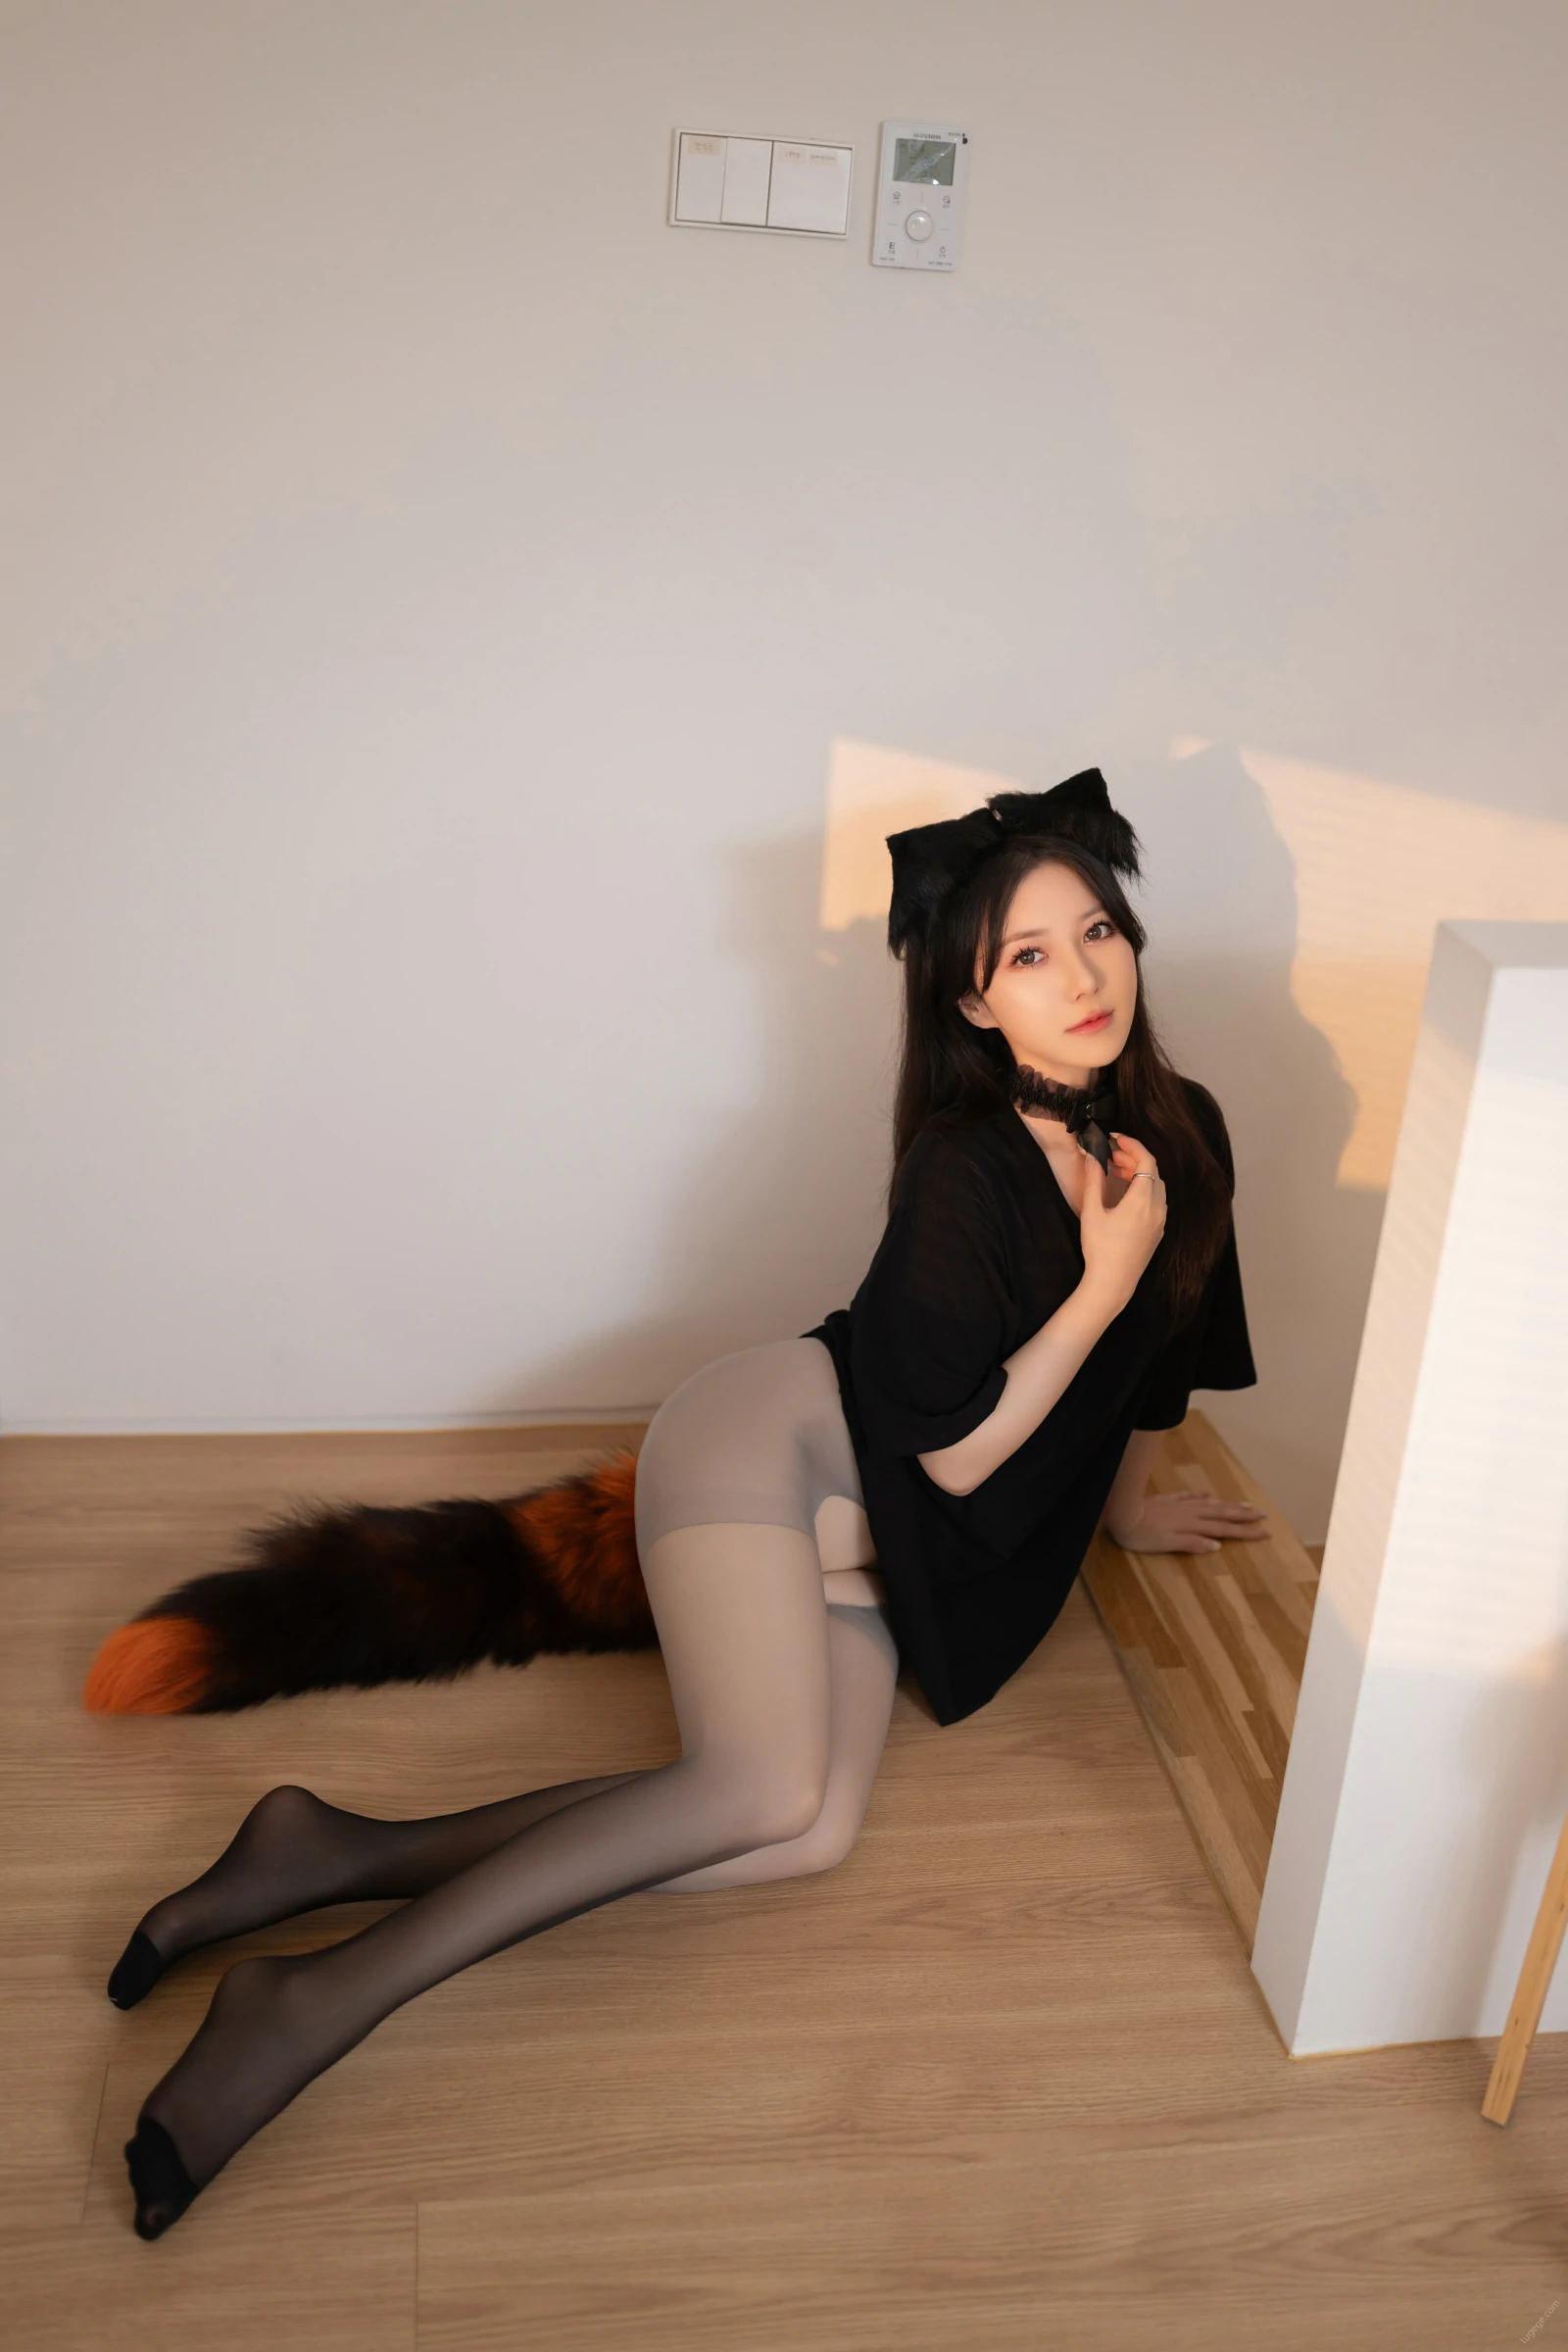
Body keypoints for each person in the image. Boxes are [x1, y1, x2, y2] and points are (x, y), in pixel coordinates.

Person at [115, 767, 1264, 2240]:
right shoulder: (962, 1170)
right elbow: (961, 1459)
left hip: (879, 1553)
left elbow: (1169, 1356)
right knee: (754, 1790)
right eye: (1030, 955)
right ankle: (313, 1999)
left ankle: (334, 1854)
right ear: (975, 1003)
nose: (1083, 977)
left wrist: (1131, 1506)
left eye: (1097, 931)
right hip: (762, 1453)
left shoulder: (1189, 1133)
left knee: (800, 1835)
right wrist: (1100, 1281)